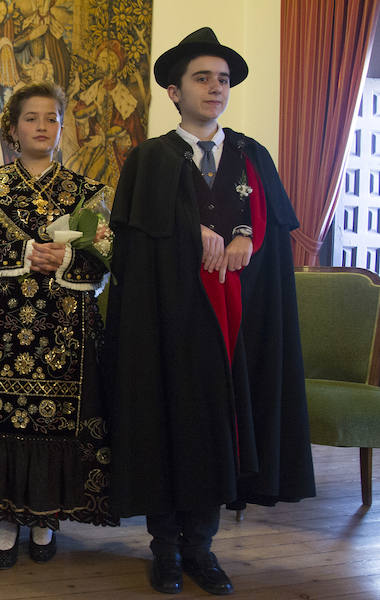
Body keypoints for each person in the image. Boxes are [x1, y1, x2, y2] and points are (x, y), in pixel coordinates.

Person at [105, 28, 316, 595]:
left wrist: (252, 236)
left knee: (223, 433)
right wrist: (187, 231)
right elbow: (134, 246)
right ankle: (166, 550)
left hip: (236, 327)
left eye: (222, 80)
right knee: (170, 427)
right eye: (202, 78)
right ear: (175, 91)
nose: (215, 88)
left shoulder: (251, 155)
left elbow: (271, 230)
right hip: (172, 324)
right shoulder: (150, 159)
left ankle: (202, 548)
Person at [0, 82, 119, 570]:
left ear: (60, 128)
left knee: (52, 426)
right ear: (12, 129)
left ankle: (43, 520)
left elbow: (104, 260)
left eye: (51, 118)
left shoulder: (85, 191)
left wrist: (68, 257)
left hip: (63, 331)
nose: (41, 127)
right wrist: (25, 252)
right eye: (31, 118)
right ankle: (4, 521)